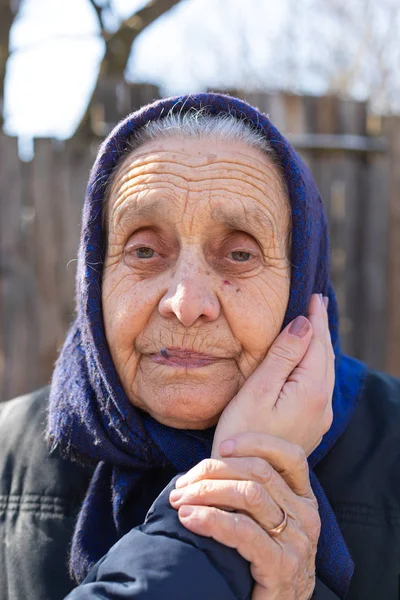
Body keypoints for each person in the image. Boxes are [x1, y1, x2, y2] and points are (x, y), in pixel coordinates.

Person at [0, 93, 399, 600]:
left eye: (238, 253)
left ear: (303, 284)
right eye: (144, 250)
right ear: (94, 278)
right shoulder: (8, 454)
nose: (187, 304)